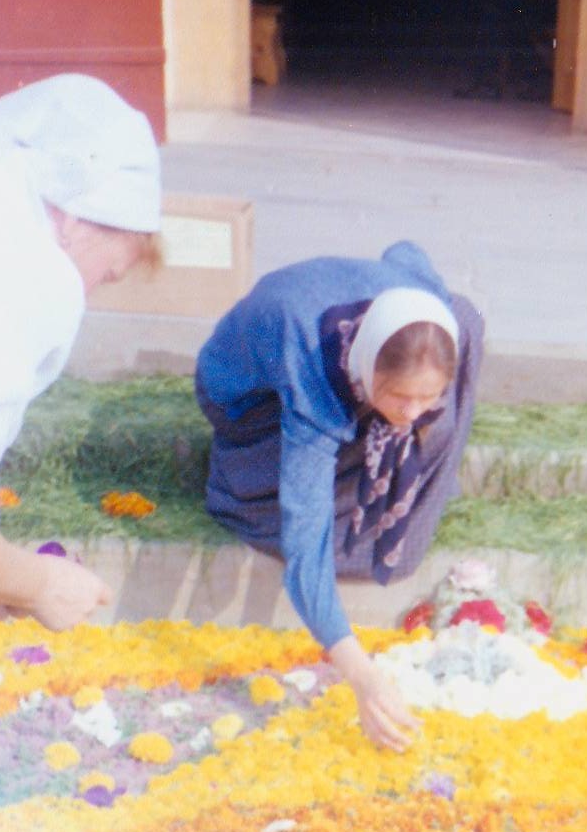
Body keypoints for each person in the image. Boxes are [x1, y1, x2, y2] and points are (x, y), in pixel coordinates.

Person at [194, 245, 483, 752]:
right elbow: (306, 543)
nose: (413, 411)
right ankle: (244, 484)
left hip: (347, 341)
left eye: (427, 396)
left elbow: (406, 252)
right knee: (315, 510)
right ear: (366, 370)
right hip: (244, 406)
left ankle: (406, 485)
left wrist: (410, 409)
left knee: (466, 318)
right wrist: (362, 676)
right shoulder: (314, 375)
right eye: (400, 396)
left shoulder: (426, 309)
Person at [0, 74, 162, 624]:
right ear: (72, 219)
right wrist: (40, 584)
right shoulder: (25, 269)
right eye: (107, 274)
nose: (89, 293)